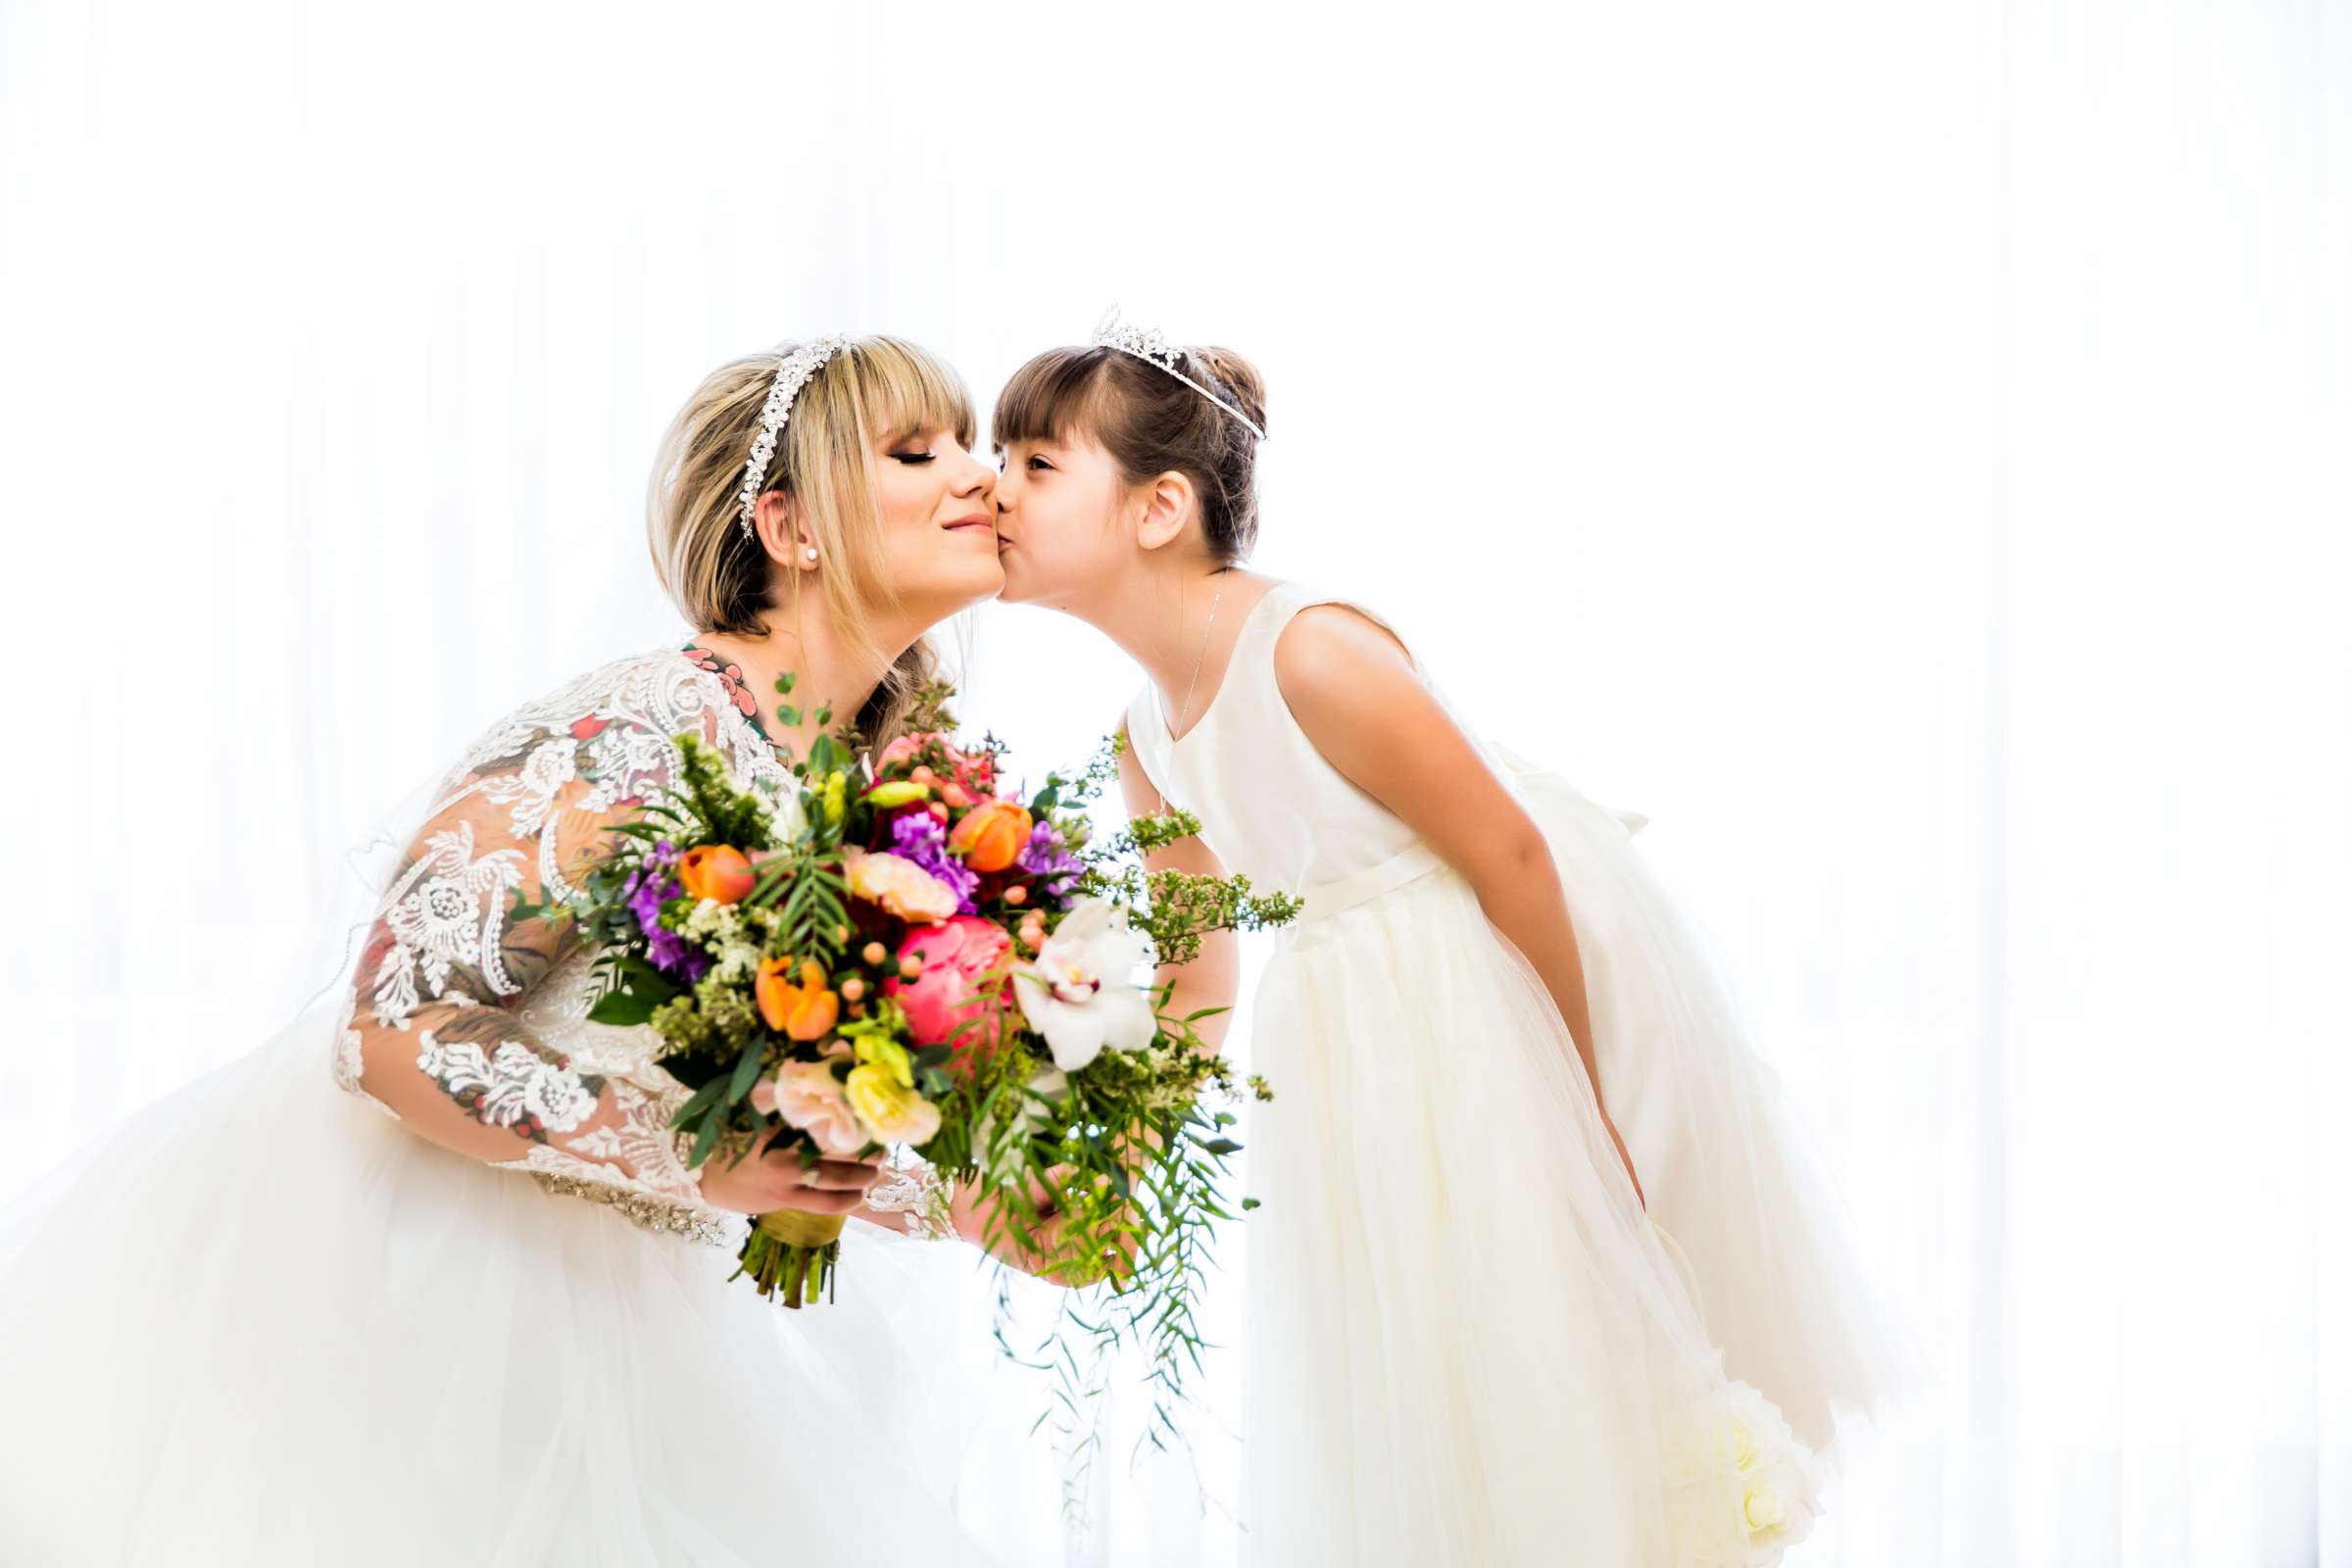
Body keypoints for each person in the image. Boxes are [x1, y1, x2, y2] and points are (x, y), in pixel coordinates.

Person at [0, 334, 1031, 1565]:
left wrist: (970, 1193)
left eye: (974, 445)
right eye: (920, 451)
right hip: (420, 1302)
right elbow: (388, 1033)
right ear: (790, 527)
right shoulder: (636, 734)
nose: (980, 476)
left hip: (647, 1328)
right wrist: (693, 1160)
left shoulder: (880, 800)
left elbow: (794, 1103)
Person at [986, 315, 1893, 1564]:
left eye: (1036, 464)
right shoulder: (1144, 740)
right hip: (1358, 1041)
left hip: (1497, 983)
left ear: (1159, 509)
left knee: (1554, 1334)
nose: (994, 488)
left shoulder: (1307, 651)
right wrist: (1127, 1145)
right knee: (1431, 1369)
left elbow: (1510, 854)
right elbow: (1199, 967)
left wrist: (1588, 1108)